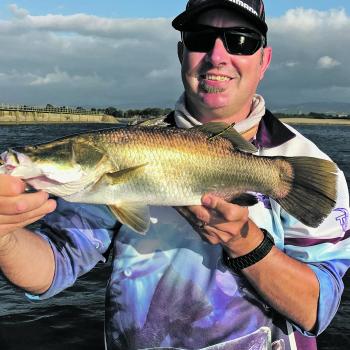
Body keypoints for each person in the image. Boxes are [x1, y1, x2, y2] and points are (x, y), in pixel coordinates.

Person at [0, 0, 349, 349]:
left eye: (240, 40)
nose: (217, 56)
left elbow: (316, 311)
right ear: (182, 52)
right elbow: (51, 268)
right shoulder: (107, 169)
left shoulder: (300, 164)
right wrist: (4, 237)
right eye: (200, 38)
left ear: (264, 59)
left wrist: (246, 243)